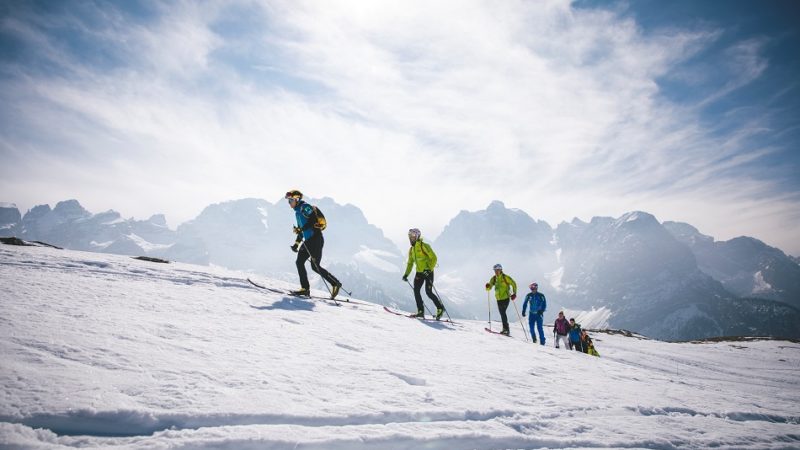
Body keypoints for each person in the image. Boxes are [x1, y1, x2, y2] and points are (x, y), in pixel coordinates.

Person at [285, 190, 341, 299]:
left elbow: (312, 220)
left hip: (316, 239)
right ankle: (305, 289)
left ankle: (335, 283)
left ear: (297, 199)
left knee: (314, 267)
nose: (289, 203)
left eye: (290, 200)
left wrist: (301, 229)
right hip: (309, 240)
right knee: (300, 262)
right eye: (288, 201)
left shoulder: (305, 207)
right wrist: (296, 244)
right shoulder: (297, 212)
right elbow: (301, 231)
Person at [402, 228, 445, 320]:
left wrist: (428, 269)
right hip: (419, 273)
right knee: (416, 291)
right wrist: (406, 274)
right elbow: (410, 263)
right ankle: (420, 311)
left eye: (413, 236)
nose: (411, 238)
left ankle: (440, 308)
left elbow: (434, 258)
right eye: (410, 236)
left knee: (428, 292)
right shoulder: (411, 250)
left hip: (428, 272)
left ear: (417, 236)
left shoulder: (424, 246)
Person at [485, 264, 517, 336]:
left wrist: (514, 293)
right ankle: (505, 329)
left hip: (506, 298)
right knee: (502, 313)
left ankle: (506, 330)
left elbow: (514, 283)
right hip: (498, 299)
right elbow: (489, 288)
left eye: (497, 270)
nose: (496, 272)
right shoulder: (493, 279)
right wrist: (487, 286)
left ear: (501, 270)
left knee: (502, 312)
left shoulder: (505, 277)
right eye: (495, 270)